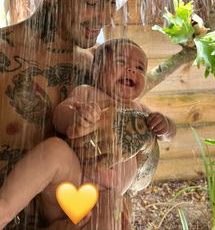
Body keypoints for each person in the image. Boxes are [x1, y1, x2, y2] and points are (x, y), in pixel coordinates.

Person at [0, 0, 123, 229]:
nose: (107, 17)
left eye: (112, 2)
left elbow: (143, 167)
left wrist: (122, 150)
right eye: (93, 2)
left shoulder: (100, 70)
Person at [0, 38, 176, 229]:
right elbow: (59, 116)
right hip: (71, 183)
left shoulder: (141, 111)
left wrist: (165, 125)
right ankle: (6, 208)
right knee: (54, 149)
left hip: (105, 199)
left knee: (114, 206)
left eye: (140, 68)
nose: (132, 70)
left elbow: (168, 135)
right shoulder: (88, 93)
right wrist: (76, 116)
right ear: (96, 69)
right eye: (121, 62)